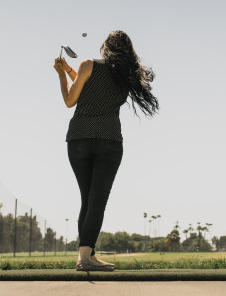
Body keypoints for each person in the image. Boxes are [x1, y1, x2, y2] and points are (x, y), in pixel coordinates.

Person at [53, 30, 159, 271]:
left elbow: (71, 100)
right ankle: (85, 256)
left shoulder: (88, 65)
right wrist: (70, 71)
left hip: (79, 139)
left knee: (87, 199)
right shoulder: (127, 76)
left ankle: (86, 255)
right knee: (97, 199)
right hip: (109, 141)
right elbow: (90, 88)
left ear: (106, 47)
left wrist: (61, 74)